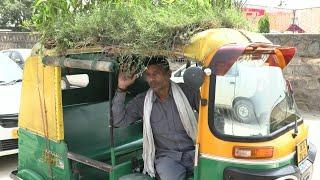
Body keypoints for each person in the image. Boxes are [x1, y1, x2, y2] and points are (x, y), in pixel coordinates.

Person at [112, 56, 200, 180]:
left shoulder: (187, 92)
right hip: (167, 158)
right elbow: (118, 121)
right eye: (148, 75)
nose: (152, 79)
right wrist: (121, 88)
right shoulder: (142, 101)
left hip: (195, 152)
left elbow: (210, 116)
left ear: (168, 74)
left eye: (156, 73)